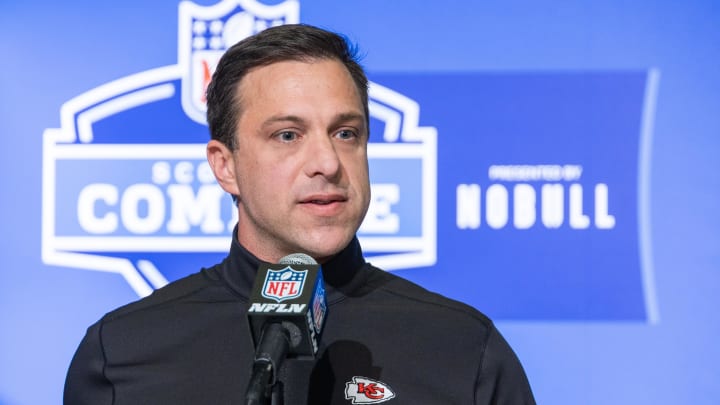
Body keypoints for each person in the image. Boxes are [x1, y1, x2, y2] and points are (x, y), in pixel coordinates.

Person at [64, 24, 535, 404]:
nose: (328, 163)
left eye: (346, 133)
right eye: (288, 135)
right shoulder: (122, 354)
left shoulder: (463, 349)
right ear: (225, 166)